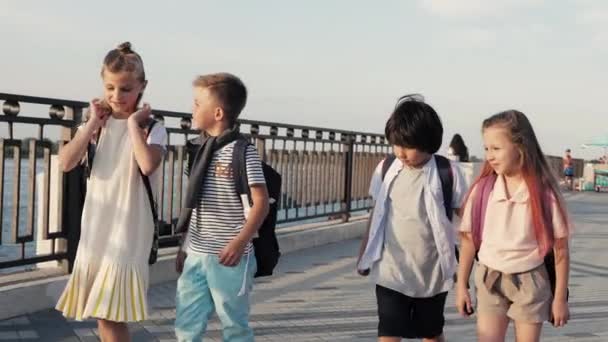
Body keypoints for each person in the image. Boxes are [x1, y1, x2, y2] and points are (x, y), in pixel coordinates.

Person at [55, 42, 167, 342]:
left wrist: (132, 124)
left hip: (129, 230)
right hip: (97, 226)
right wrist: (92, 123)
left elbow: (147, 165)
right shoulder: (96, 125)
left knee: (112, 312)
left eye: (126, 89)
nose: (117, 96)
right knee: (103, 313)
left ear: (142, 86)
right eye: (110, 88)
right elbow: (65, 163)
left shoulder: (152, 128)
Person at [357, 94, 467, 342]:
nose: (401, 153)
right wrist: (364, 253)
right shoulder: (386, 168)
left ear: (429, 143)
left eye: (408, 146)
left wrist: (473, 262)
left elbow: (467, 220)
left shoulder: (447, 172)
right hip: (391, 270)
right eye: (396, 144)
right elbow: (376, 214)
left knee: (431, 333)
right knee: (388, 331)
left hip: (432, 273)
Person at [455, 110, 571, 342]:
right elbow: (468, 241)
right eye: (486, 148)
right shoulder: (482, 191)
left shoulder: (543, 195)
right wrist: (461, 286)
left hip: (531, 281)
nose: (489, 155)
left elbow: (560, 250)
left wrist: (559, 299)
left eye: (496, 148)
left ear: (521, 147)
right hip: (489, 278)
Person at [173, 73, 270, 342]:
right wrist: (184, 245)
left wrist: (241, 241)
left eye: (196, 103)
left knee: (234, 325)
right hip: (196, 253)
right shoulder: (198, 150)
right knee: (186, 324)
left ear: (217, 113)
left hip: (229, 256)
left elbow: (261, 203)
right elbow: (195, 204)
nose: (192, 109)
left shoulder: (242, 151)